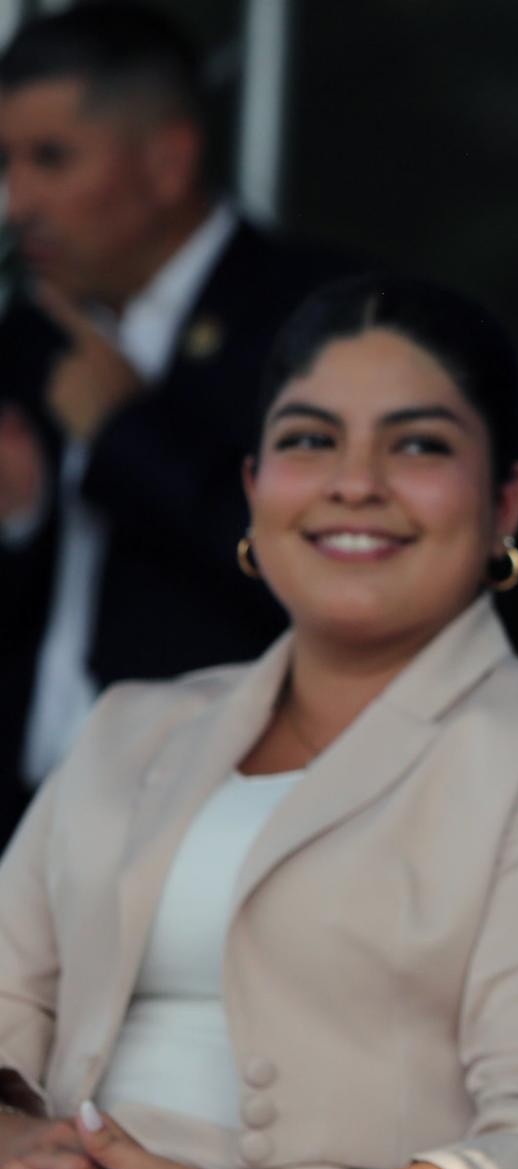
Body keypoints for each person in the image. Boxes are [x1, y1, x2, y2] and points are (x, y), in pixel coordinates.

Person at [0, 275, 518, 1169]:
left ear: (506, 500)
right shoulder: (132, 727)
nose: (354, 482)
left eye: (418, 445)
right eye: (309, 440)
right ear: (254, 487)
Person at [0, 3, 353, 840]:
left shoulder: (316, 321)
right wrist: (19, 514)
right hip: (32, 821)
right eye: (6, 163)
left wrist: (127, 432)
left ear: (167, 162)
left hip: (227, 820)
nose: (19, 201)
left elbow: (323, 571)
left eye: (51, 159)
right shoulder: (30, 333)